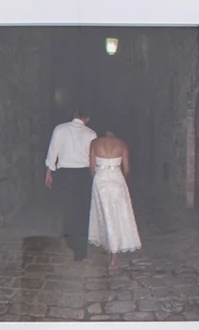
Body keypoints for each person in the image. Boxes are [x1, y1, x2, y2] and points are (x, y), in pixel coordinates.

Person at [44, 109, 97, 259]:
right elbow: (92, 158)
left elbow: (53, 151)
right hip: (84, 173)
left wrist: (49, 172)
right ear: (87, 118)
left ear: (74, 114)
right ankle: (81, 245)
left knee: (69, 206)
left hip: (66, 173)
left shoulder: (60, 129)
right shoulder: (91, 134)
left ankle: (72, 240)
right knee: (83, 208)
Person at [87, 130, 142, 257]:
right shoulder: (122, 144)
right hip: (117, 177)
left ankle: (110, 244)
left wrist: (98, 176)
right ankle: (116, 244)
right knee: (119, 211)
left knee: (104, 211)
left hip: (100, 178)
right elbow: (126, 168)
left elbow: (92, 168)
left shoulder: (95, 143)